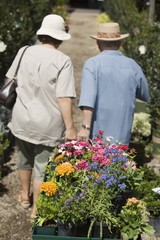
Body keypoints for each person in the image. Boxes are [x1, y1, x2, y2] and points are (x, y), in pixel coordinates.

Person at [5, 14, 77, 218]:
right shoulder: (63, 60)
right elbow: (63, 97)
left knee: (24, 157)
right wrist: (70, 127)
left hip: (22, 117)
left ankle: (25, 196)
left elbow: (10, 79)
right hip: (48, 122)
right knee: (42, 165)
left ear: (42, 34)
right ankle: (37, 209)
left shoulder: (24, 51)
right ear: (61, 37)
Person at [77, 22, 150, 145]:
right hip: (122, 133)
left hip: (97, 134)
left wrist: (85, 127)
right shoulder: (132, 65)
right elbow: (144, 94)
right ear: (120, 43)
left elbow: (87, 100)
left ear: (98, 43)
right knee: (118, 162)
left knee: (97, 162)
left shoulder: (92, 64)